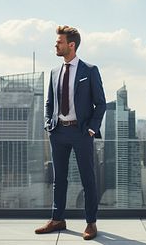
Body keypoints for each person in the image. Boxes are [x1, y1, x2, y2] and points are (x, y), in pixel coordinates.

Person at [35, 25, 106, 240]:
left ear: (71, 45)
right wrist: (49, 124)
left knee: (88, 179)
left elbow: (100, 104)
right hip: (58, 133)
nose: (55, 45)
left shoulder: (89, 70)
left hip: (81, 132)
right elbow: (49, 102)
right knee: (59, 179)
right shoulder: (55, 72)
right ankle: (57, 219)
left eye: (59, 42)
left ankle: (91, 223)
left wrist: (92, 129)